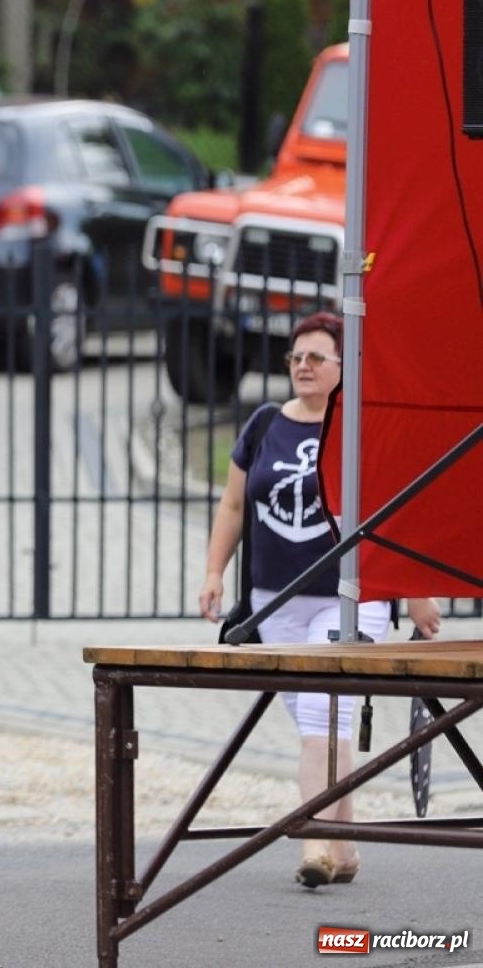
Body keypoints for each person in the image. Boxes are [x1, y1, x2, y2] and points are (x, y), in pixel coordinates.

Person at [198, 311, 441, 888]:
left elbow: (389, 515)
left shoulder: (358, 430)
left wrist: (415, 594)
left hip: (348, 599)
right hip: (274, 603)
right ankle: (346, 849)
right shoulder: (262, 425)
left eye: (316, 358)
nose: (303, 367)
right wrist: (214, 571)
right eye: (295, 358)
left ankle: (309, 842)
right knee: (320, 728)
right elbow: (234, 507)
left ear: (343, 366)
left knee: (319, 715)